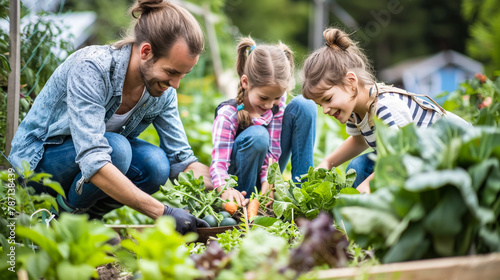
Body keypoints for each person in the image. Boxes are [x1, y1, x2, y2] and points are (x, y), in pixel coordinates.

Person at [8, 0, 210, 234]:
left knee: (155, 164)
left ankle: (89, 220)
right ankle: (66, 224)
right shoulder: (93, 68)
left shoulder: (162, 91)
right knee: (118, 149)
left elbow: (181, 160)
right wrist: (162, 212)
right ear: (146, 51)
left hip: (87, 168)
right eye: (171, 72)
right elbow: (94, 159)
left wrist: (221, 187)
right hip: (36, 167)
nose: (175, 84)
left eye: (183, 75)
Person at [301, 28, 469, 193]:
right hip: (417, 160)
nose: (325, 110)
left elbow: (402, 155)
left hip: (452, 154)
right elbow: (359, 141)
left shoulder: (385, 106)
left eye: (328, 99)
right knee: (358, 167)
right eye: (320, 105)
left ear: (351, 82)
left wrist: (366, 186)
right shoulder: (355, 110)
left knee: (367, 175)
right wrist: (327, 163)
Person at [210, 37, 317, 205]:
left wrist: (269, 180)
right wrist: (224, 188)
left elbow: (274, 149)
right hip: (238, 183)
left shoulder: (275, 104)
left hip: (266, 174)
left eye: (276, 98)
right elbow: (218, 163)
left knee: (305, 105)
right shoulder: (228, 114)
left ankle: (302, 197)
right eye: (263, 97)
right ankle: (244, 204)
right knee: (258, 135)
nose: (269, 105)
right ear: (245, 82)